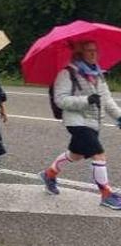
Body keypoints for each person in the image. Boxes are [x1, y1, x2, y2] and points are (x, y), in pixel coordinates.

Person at [40, 40, 121, 210]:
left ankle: (49, 174)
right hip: (76, 122)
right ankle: (106, 194)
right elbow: (60, 100)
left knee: (75, 155)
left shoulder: (97, 73)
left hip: (93, 122)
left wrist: (119, 117)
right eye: (89, 51)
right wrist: (86, 100)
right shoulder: (67, 73)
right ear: (79, 53)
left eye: (95, 50)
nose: (93, 54)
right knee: (99, 154)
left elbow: (106, 100)